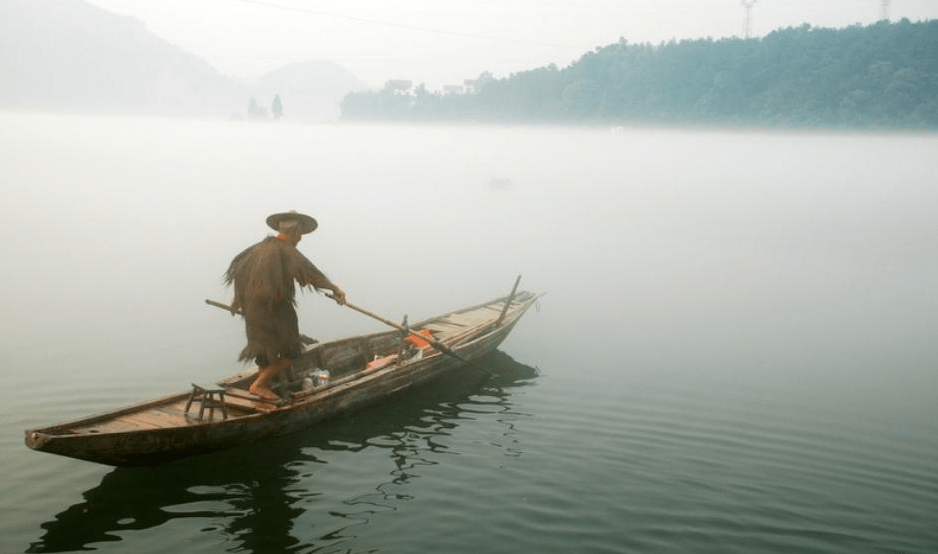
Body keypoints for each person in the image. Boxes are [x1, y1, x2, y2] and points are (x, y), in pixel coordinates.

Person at [224, 211, 346, 400]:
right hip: (275, 311)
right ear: (296, 233)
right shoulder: (286, 250)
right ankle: (259, 385)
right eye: (300, 235)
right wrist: (334, 289)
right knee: (290, 352)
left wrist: (238, 301)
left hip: (252, 312)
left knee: (265, 353)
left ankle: (265, 388)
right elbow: (311, 275)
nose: (300, 240)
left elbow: (239, 277)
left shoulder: (255, 250)